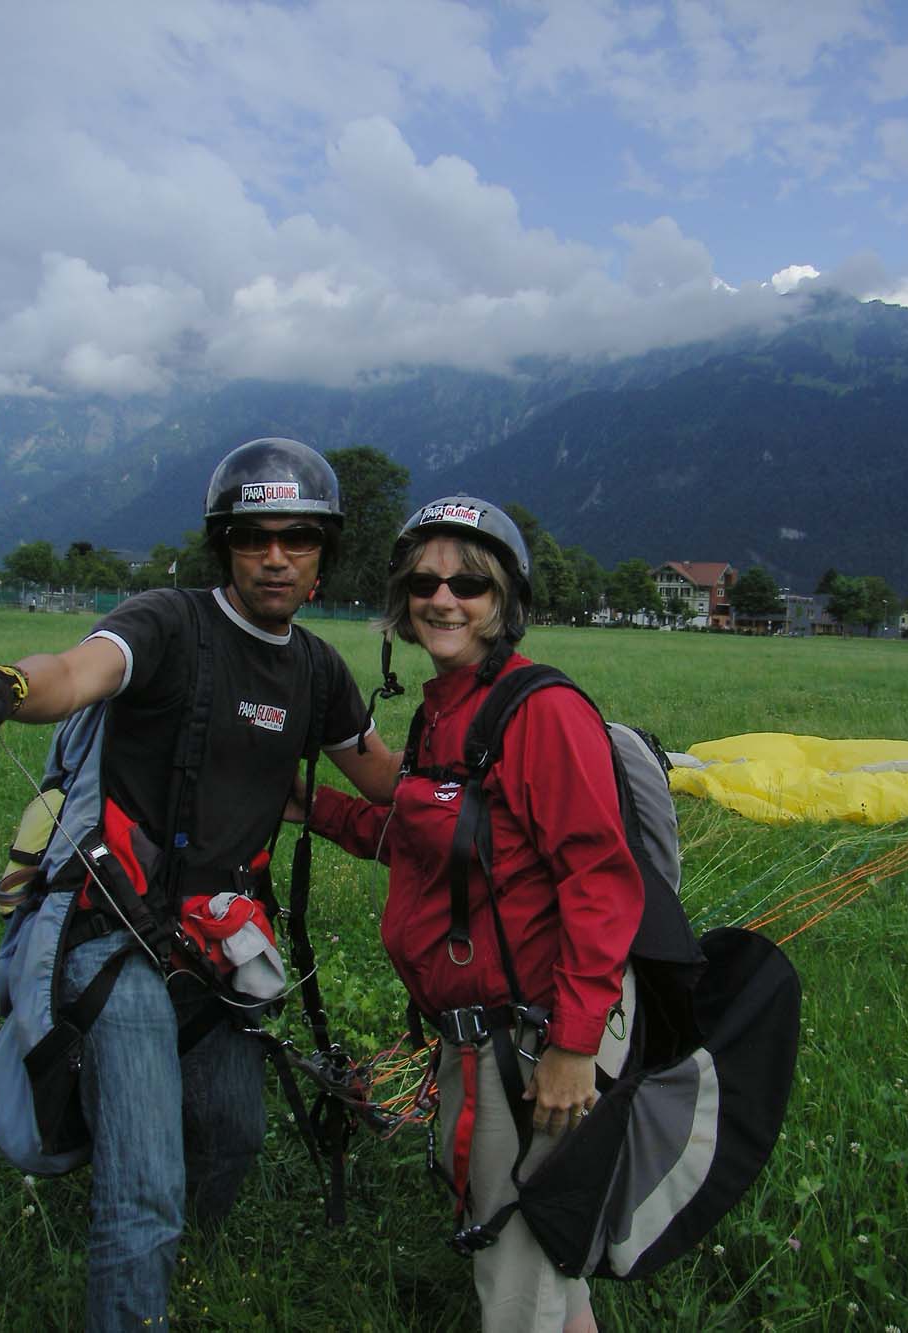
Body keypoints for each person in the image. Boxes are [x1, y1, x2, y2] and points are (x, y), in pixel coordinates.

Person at [0, 438, 400, 1332]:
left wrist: (519, 763)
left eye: (298, 538)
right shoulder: (166, 621)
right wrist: (8, 682)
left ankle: (162, 1246)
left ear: (323, 554)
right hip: (114, 933)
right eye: (254, 536)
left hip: (218, 951)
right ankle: (138, 1233)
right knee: (147, 1187)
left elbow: (391, 785)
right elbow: (80, 672)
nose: (276, 555)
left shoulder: (318, 672)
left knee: (232, 1134)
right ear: (225, 545)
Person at [298, 496, 645, 1333]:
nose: (442, 598)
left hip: (533, 1036)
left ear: (504, 601)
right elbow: (422, 838)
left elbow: (599, 879)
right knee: (542, 1244)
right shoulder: (443, 712)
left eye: (470, 584)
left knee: (513, 1259)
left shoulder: (541, 711)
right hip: (482, 1032)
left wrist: (571, 1045)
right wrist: (304, 804)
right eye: (424, 580)